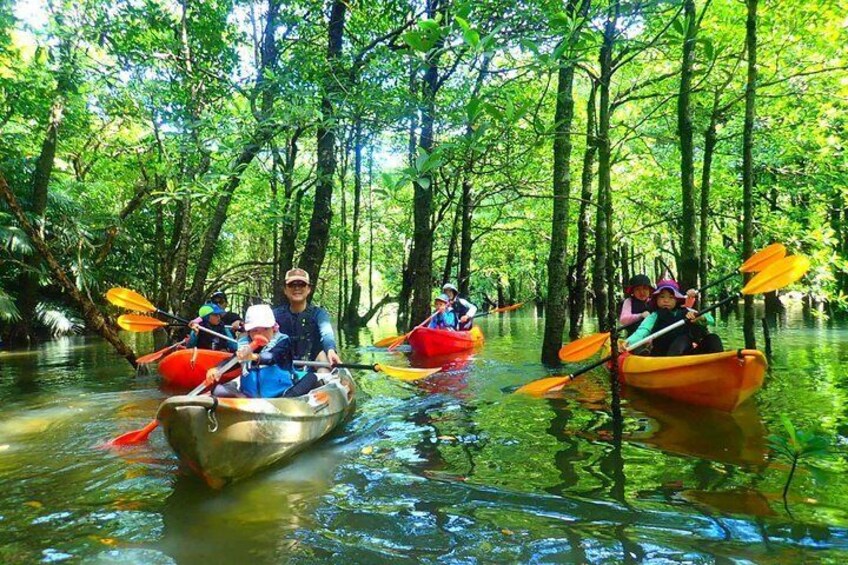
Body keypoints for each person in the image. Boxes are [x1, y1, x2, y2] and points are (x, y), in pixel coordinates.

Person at [204, 304, 322, 398]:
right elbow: (232, 360)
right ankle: (241, 398)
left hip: (282, 394)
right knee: (217, 390)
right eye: (255, 330)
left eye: (265, 329)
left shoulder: (283, 342)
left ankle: (287, 399)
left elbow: (272, 357)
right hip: (250, 396)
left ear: (273, 328)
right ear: (249, 331)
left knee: (311, 377)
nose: (260, 334)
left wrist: (253, 357)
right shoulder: (245, 345)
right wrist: (217, 369)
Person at [625, 279, 723, 357]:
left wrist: (700, 318)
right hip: (664, 356)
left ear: (677, 300)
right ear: (656, 299)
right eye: (662, 297)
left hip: (686, 354)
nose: (666, 300)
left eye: (671, 297)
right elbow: (641, 333)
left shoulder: (687, 311)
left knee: (713, 339)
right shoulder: (654, 316)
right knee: (680, 342)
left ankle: (719, 364)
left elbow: (710, 320)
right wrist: (626, 344)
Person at [272, 268, 342, 367]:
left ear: (309, 289)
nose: (297, 288)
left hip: (313, 364)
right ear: (285, 290)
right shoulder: (274, 315)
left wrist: (330, 350)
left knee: (322, 355)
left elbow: (327, 333)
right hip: (282, 365)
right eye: (292, 284)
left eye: (301, 284)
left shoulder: (318, 314)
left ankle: (322, 376)